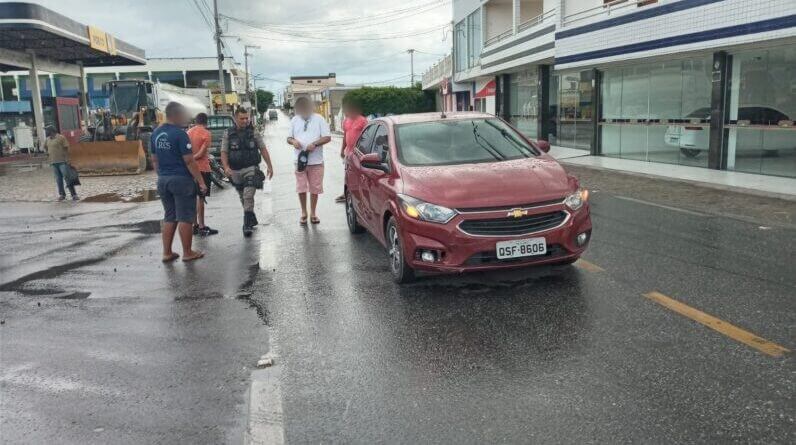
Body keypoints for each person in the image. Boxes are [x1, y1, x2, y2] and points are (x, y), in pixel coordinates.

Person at [150, 102, 207, 263]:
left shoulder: (155, 134)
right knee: (185, 216)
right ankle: (187, 252)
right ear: (175, 115)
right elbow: (189, 161)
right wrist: (201, 181)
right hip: (181, 180)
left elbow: (154, 160)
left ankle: (167, 252)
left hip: (163, 180)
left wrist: (162, 175)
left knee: (170, 216)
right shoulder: (180, 134)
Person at [220, 107, 274, 237]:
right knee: (242, 197)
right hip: (235, 171)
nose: (245, 121)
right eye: (242, 118)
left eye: (246, 118)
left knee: (248, 195)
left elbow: (263, 148)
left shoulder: (254, 133)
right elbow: (224, 152)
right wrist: (226, 167)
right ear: (235, 118)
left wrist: (269, 166)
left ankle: (247, 225)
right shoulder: (228, 133)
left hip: (251, 169)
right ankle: (251, 217)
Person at [287, 97, 331, 225]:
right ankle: (303, 212)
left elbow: (327, 137)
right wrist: (294, 141)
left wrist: (315, 144)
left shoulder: (319, 119)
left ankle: (313, 213)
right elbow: (288, 138)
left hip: (316, 161)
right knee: (301, 187)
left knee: (315, 188)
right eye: (300, 108)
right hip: (299, 161)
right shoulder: (295, 120)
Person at [187, 113, 218, 237]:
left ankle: (194, 225)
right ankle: (202, 226)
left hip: (189, 169)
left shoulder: (188, 133)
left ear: (196, 121)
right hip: (202, 169)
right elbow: (201, 153)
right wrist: (193, 159)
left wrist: (188, 161)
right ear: (206, 122)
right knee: (201, 198)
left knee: (192, 197)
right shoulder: (206, 133)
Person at [335, 98, 367, 203]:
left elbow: (367, 135)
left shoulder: (362, 120)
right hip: (349, 153)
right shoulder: (346, 121)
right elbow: (345, 135)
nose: (346, 111)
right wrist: (342, 149)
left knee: (359, 174)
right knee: (348, 173)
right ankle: (347, 192)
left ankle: (361, 194)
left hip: (359, 153)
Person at [45, 126, 78, 201]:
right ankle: (62, 194)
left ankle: (74, 194)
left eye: (47, 130)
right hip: (53, 163)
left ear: (51, 131)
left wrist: (67, 159)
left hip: (62, 162)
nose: (46, 132)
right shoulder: (47, 139)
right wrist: (48, 153)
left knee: (67, 178)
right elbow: (45, 147)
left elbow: (66, 148)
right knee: (58, 180)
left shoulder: (61, 138)